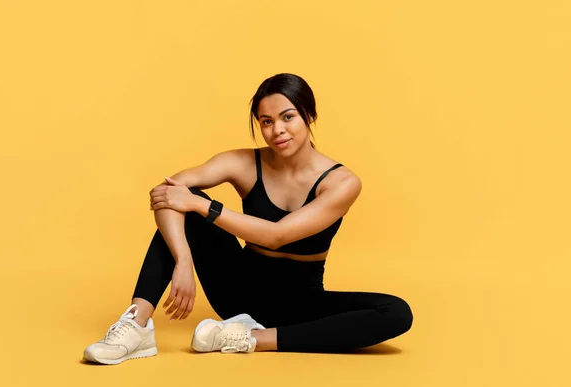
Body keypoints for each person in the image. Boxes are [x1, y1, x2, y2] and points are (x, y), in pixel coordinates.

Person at [83, 73, 413, 365]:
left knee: (396, 313)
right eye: (266, 121)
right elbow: (165, 191)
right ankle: (137, 325)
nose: (277, 130)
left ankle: (249, 339)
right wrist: (183, 259)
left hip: (302, 305)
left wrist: (204, 207)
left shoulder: (341, 183)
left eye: (288, 117)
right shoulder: (243, 162)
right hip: (238, 292)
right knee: (184, 202)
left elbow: (277, 235)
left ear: (309, 115)